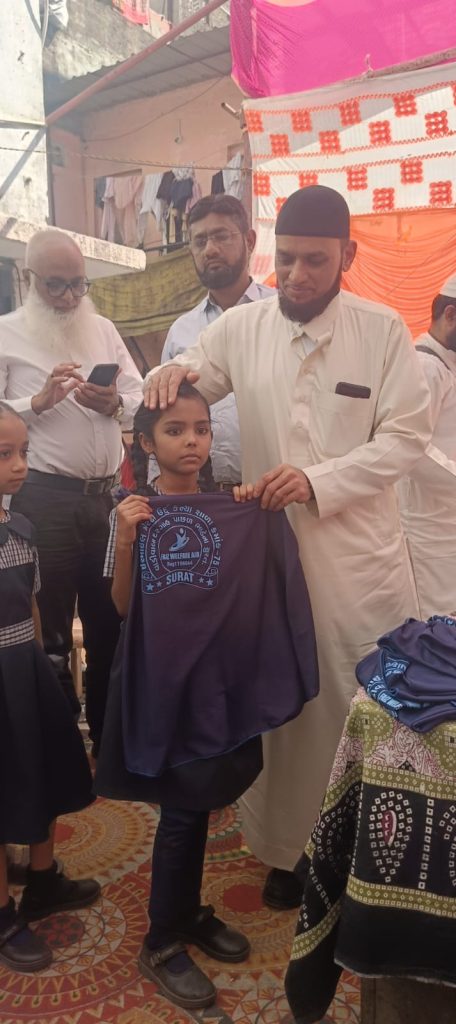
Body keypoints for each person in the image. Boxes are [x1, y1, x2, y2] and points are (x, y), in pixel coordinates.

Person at [143, 185, 432, 911]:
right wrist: (164, 375)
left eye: (315, 261)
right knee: (284, 705)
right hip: (270, 563)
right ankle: (288, 850)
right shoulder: (243, 329)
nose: (297, 276)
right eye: (288, 259)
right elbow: (194, 381)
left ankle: (360, 854)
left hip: (360, 566)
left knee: (356, 703)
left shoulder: (382, 331)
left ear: (347, 257)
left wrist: (315, 479)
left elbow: (406, 438)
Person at [95, 382, 319, 1009]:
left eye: (200, 429)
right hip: (164, 684)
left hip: (215, 682)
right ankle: (161, 939)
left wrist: (250, 505)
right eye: (174, 430)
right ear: (147, 443)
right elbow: (122, 607)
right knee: (181, 809)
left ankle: (187, 912)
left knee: (202, 801)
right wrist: (128, 538)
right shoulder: (131, 511)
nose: (191, 441)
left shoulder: (231, 503)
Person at [0, 228, 143, 756]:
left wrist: (114, 404)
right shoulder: (6, 333)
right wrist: (34, 403)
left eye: (77, 284)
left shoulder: (102, 328)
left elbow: (139, 393)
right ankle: (61, 752)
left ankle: (109, 746)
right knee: (53, 634)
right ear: (29, 279)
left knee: (110, 623)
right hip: (44, 500)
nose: (67, 297)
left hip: (105, 500)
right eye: (55, 285)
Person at [0, 403, 99, 974]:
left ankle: (42, 880)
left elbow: (33, 606)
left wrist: (40, 665)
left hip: (27, 670)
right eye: (4, 454)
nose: (20, 465)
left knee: (46, 770)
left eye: (24, 453)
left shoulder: (22, 528)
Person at [161, 195, 274, 487]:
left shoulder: (281, 315)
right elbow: (164, 417)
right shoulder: (181, 332)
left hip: (275, 492)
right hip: (204, 495)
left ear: (250, 240)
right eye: (199, 241)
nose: (210, 250)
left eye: (221, 236)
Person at [397, 275, 456, 618]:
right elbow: (413, 450)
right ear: (450, 315)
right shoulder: (425, 366)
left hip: (446, 523)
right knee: (438, 627)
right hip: (428, 533)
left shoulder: (446, 364)